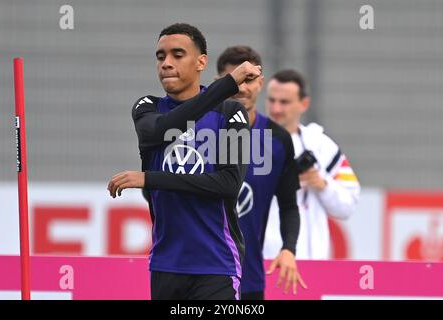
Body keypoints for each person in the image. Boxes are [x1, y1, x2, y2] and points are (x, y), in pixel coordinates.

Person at [107, 23, 262, 300]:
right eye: (160, 56)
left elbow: (228, 184)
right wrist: (227, 84)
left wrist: (150, 178)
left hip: (216, 263)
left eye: (177, 55)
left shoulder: (230, 112)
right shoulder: (147, 108)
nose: (166, 63)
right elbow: (165, 128)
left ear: (201, 61)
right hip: (166, 264)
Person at [216, 46, 306, 300]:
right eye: (232, 80)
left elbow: (289, 206)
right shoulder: (198, 131)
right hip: (199, 273)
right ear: (218, 83)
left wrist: (289, 248)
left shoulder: (278, 140)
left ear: (261, 83)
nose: (241, 88)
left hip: (249, 277)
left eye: (249, 79)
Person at [263, 69, 361, 260]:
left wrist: (321, 183)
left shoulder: (322, 146)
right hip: (262, 262)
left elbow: (348, 205)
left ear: (304, 104)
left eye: (284, 102)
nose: (276, 109)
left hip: (311, 264)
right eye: (271, 100)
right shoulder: (251, 140)